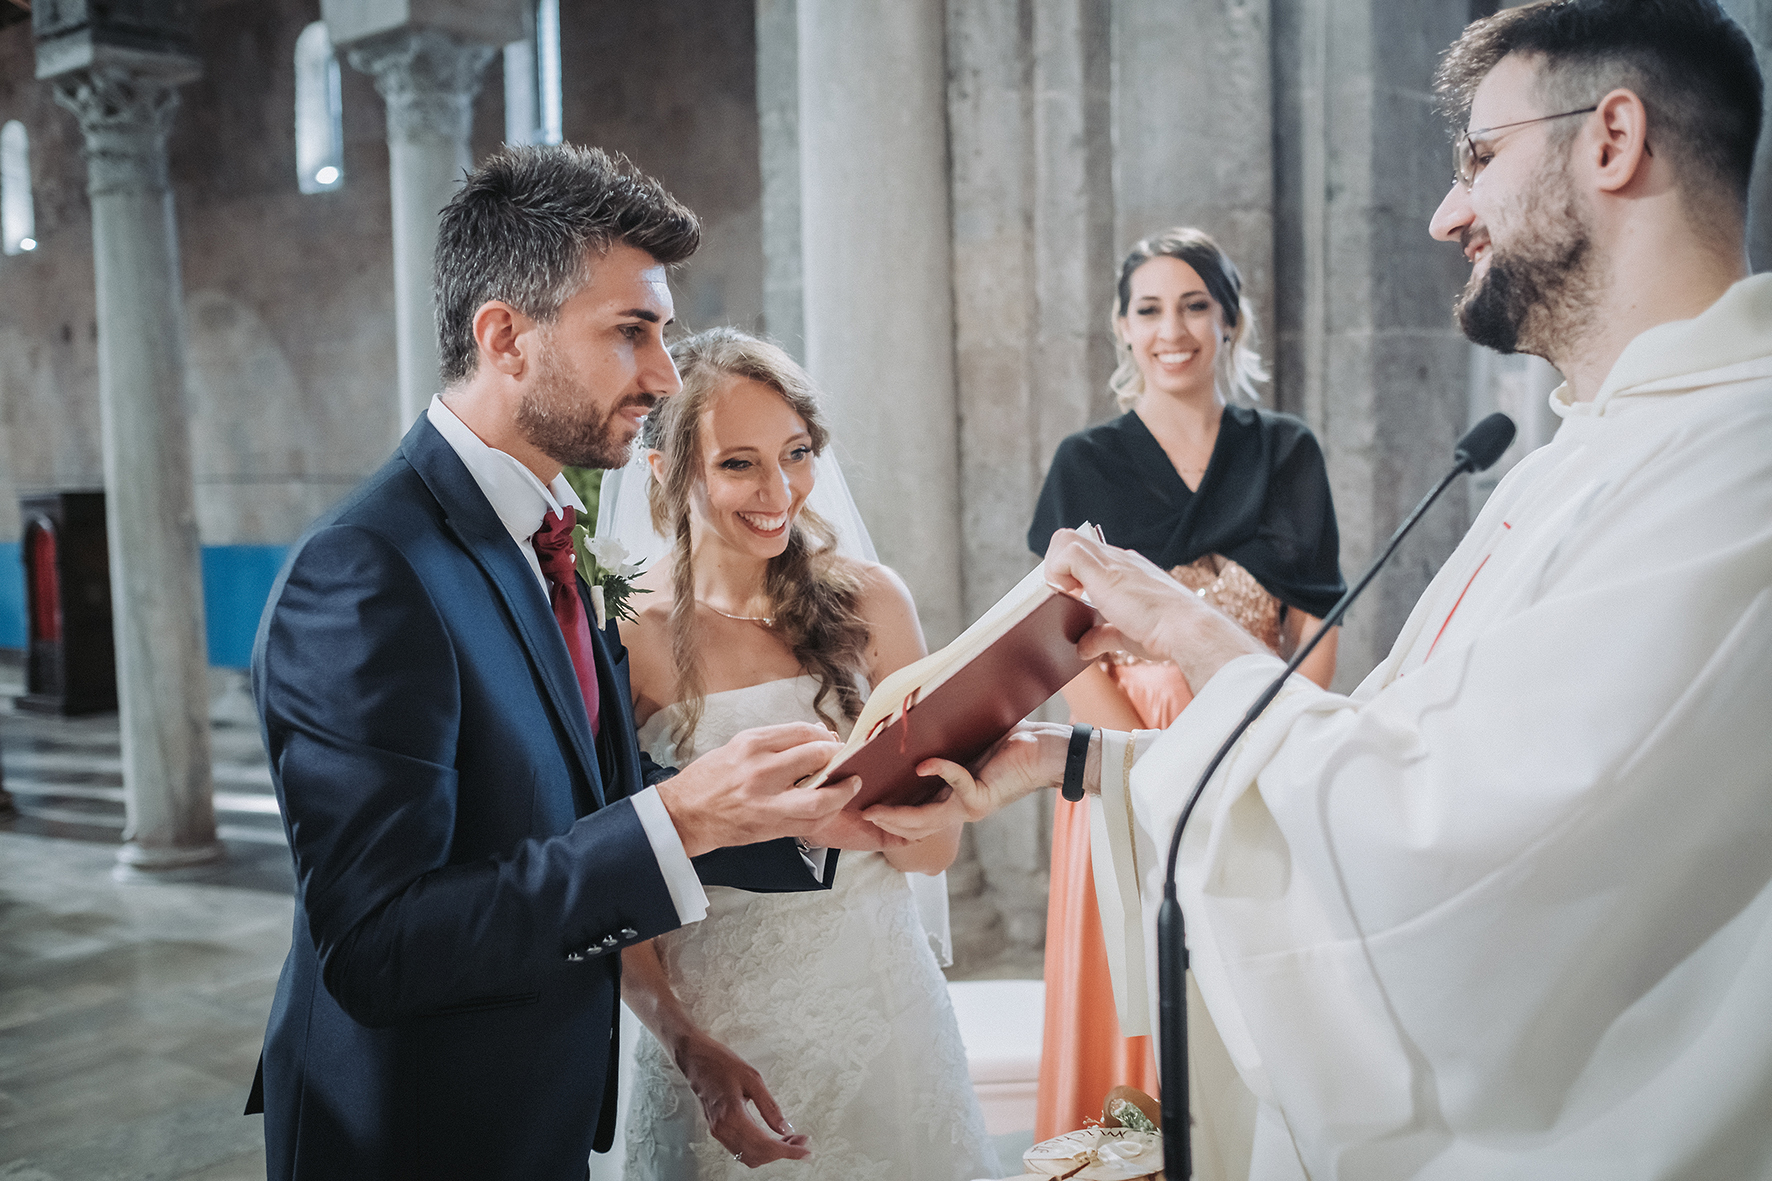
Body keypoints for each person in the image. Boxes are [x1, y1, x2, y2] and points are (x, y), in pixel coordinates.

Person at [870, 1, 1772, 1177]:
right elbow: (1398, 751)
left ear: (1610, 140)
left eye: (1478, 157)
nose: (1449, 211)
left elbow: (1448, 849)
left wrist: (1188, 630)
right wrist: (1075, 759)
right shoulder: (1578, 455)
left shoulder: (1731, 465)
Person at [248, 146, 873, 1181]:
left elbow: (573, 800)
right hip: (417, 1130)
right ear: (505, 338)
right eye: (630, 333)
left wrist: (786, 811)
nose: (665, 375)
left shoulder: (540, 529)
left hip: (533, 1102)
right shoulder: (365, 572)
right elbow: (376, 944)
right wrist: (678, 821)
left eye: (662, 332)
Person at [600, 327, 1000, 1180]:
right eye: (738, 463)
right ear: (665, 473)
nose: (778, 491)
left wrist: (910, 807)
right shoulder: (628, 640)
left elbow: (933, 852)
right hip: (714, 1024)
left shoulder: (873, 602)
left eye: (797, 453)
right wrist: (680, 1038)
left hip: (880, 1003)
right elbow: (610, 879)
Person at [1026, 228, 1344, 1143]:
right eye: (1151, 309)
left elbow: (1316, 617)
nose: (1174, 329)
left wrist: (1271, 729)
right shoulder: (1085, 462)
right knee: (1132, 973)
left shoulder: (1286, 451)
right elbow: (1064, 644)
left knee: (1246, 970)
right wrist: (1141, 761)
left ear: (1231, 321)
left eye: (1195, 305)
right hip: (1120, 742)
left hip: (1257, 736)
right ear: (1123, 330)